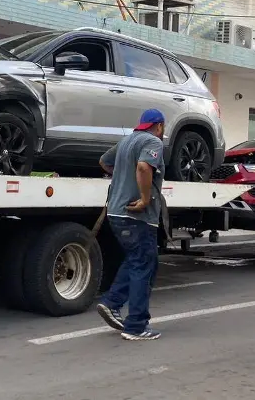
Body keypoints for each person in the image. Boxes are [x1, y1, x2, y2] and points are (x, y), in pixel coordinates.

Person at [96, 108, 166, 342]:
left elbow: (104, 162)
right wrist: (145, 198)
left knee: (140, 261)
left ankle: (111, 302)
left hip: (116, 213)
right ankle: (136, 325)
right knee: (142, 266)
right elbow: (144, 167)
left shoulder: (127, 141)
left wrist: (122, 177)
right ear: (159, 126)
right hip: (137, 216)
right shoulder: (153, 142)